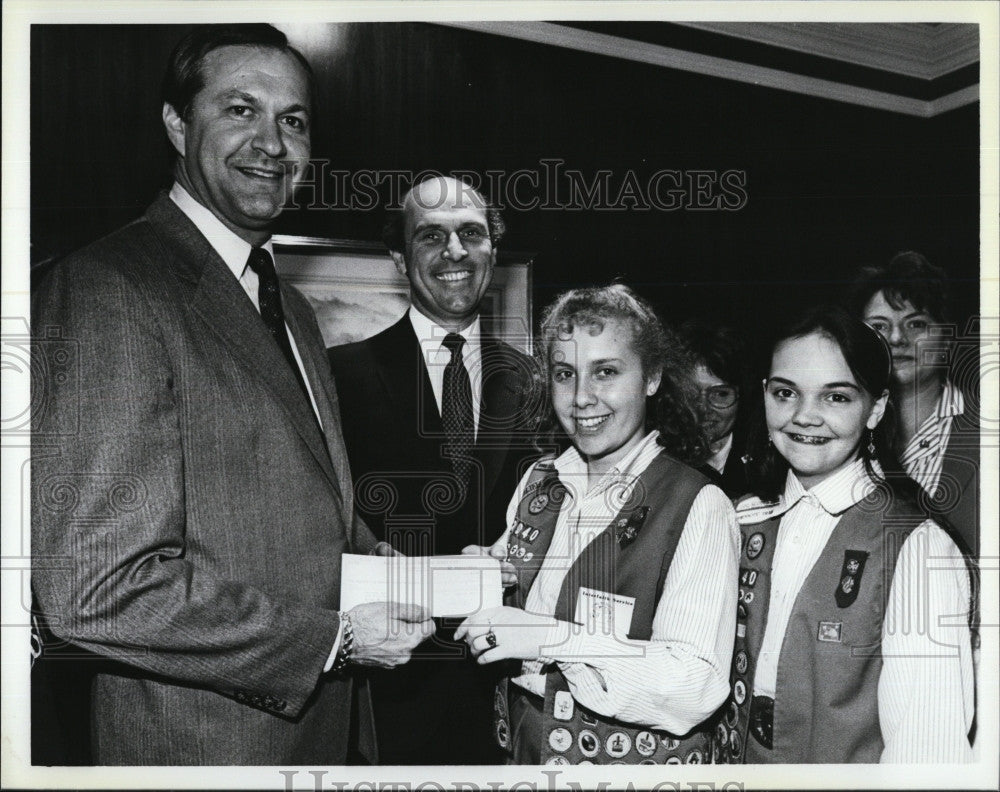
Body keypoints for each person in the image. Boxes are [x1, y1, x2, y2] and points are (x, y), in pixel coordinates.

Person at [30, 24, 434, 766]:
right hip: (203, 752)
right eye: (240, 109)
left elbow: (312, 522)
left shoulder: (292, 311)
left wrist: (429, 576)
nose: (273, 144)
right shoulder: (109, 288)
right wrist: (334, 642)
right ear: (177, 125)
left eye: (294, 120)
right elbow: (95, 587)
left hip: (321, 739)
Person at [456, 284, 739, 765]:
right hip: (522, 754)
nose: (581, 398)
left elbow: (695, 683)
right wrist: (479, 579)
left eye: (605, 372)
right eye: (565, 374)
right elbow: (515, 598)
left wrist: (550, 637)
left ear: (651, 377)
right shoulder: (539, 480)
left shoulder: (700, 503)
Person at [328, 175, 541, 764]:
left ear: (492, 253)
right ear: (400, 257)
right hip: (383, 700)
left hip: (505, 698)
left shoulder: (536, 385)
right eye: (431, 237)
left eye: (471, 234)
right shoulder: (339, 377)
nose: (454, 252)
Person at [723, 305, 974, 763]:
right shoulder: (742, 519)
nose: (805, 417)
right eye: (785, 393)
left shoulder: (915, 546)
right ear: (763, 395)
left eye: (835, 398)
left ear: (875, 408)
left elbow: (927, 751)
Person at [849, 251, 979, 556]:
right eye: (879, 326)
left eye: (916, 324)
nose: (896, 339)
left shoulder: (986, 428)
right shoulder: (842, 427)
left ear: (946, 338)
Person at [678, 319, 751, 498]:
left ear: (741, 395)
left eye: (720, 394)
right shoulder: (657, 460)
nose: (703, 408)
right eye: (691, 394)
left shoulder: (765, 463)